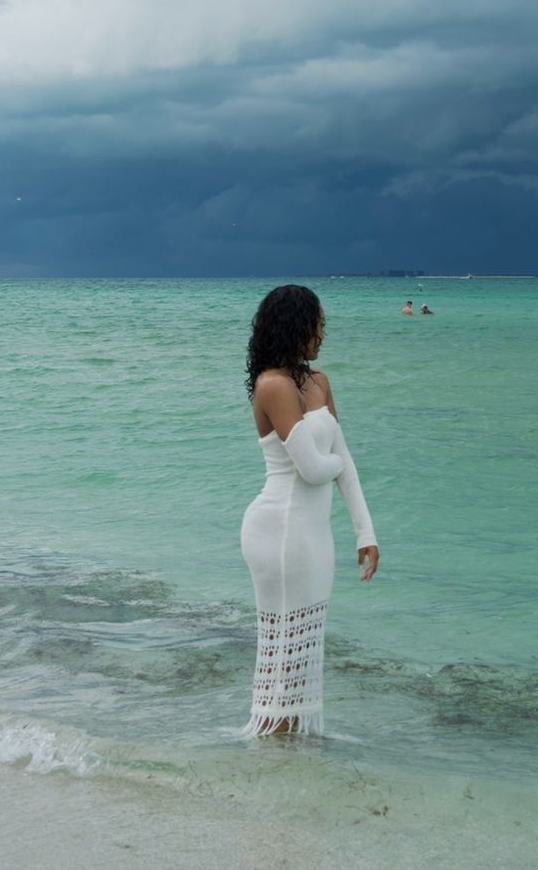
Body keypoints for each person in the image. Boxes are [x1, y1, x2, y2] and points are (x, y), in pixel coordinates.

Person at [241, 285, 379, 737]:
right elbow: (315, 468)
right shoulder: (272, 385)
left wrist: (366, 534)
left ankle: (289, 745)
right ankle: (274, 741)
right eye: (317, 324)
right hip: (278, 530)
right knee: (283, 648)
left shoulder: (319, 381)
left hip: (313, 534)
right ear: (295, 326)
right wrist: (337, 461)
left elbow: (344, 463)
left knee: (303, 647)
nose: (322, 333)